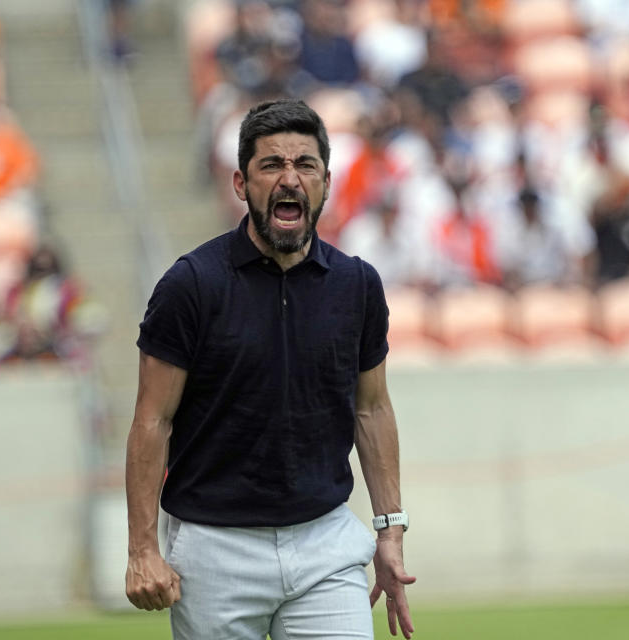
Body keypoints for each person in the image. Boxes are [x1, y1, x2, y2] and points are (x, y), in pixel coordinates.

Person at [125, 99, 415, 640]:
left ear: (326, 182)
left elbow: (372, 408)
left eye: (305, 165)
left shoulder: (358, 285)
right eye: (271, 165)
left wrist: (390, 530)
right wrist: (143, 550)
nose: (290, 178)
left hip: (326, 542)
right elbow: (151, 422)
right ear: (241, 183)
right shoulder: (191, 285)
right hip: (214, 550)